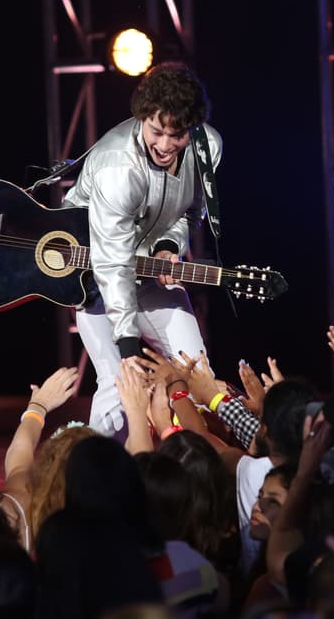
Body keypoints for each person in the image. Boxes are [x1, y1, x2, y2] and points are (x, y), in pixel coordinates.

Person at [61, 61, 221, 435]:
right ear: (141, 117)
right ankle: (101, 485)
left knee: (197, 373)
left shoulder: (208, 147)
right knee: (119, 386)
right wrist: (129, 346)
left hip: (147, 270)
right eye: (156, 131)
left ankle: (199, 481)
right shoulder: (117, 166)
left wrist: (168, 244)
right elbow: (112, 264)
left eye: (176, 134)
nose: (165, 146)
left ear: (192, 129)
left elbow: (191, 210)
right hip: (93, 275)